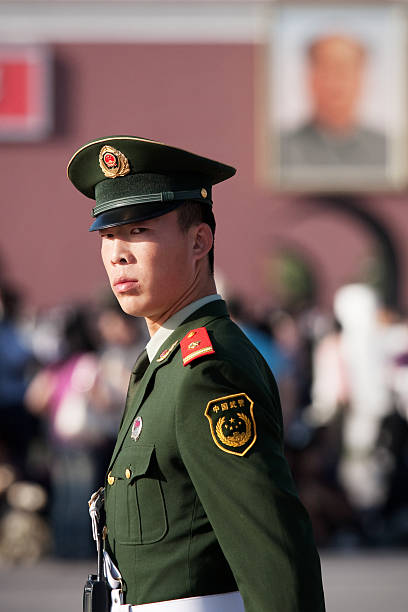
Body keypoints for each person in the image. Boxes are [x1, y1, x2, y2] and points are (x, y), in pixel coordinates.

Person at [67, 136, 325, 611]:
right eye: (107, 235)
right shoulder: (160, 363)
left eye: (139, 230)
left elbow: (272, 549)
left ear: (199, 241)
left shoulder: (209, 369)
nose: (117, 254)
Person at [280, 33, 387, 175]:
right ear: (310, 79)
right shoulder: (281, 149)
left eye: (344, 70)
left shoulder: (388, 150)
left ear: (361, 79)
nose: (335, 83)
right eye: (326, 69)